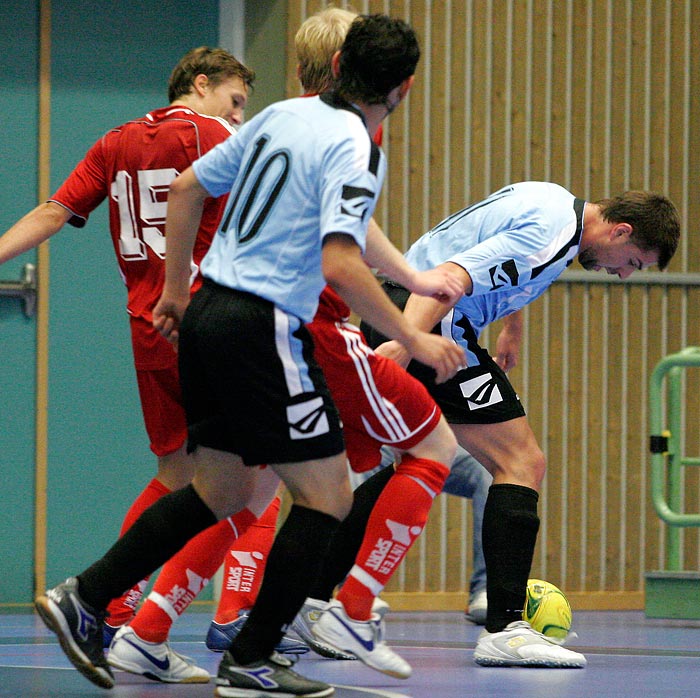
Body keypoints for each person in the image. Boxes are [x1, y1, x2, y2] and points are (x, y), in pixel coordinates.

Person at [34, 14, 466, 696]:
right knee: (328, 495)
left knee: (223, 490)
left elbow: (187, 190)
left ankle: (85, 596)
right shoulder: (357, 144)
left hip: (207, 314)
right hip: (264, 326)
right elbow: (341, 260)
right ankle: (252, 658)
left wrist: (174, 293)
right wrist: (412, 336)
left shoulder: (279, 119)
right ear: (403, 88)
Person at [0, 47, 300, 683]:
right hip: (207, 322)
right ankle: (213, 626)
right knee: (260, 476)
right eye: (236, 99)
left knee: (176, 473)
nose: (239, 114)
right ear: (200, 83)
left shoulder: (116, 141)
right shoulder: (217, 135)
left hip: (147, 324)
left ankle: (110, 610)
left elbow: (55, 211)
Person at [362, 181, 681, 668]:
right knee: (521, 461)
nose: (622, 276)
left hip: (415, 308)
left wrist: (511, 325)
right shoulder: (553, 232)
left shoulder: (555, 204)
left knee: (405, 460)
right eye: (632, 262)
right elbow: (454, 273)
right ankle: (504, 627)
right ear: (620, 231)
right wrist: (406, 343)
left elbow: (490, 257)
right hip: (430, 318)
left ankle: (320, 599)